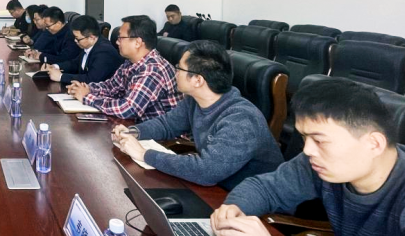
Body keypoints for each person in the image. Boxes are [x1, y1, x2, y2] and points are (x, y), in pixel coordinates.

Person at [210, 78, 405, 236]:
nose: (307, 150)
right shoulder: (321, 164)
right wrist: (234, 208)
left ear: (374, 144)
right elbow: (265, 188)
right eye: (304, 138)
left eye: (319, 141)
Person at [112, 40, 282, 190]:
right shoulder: (195, 101)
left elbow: (207, 171)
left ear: (198, 80)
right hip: (221, 190)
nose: (174, 73)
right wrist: (133, 132)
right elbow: (167, 124)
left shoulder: (241, 119)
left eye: (179, 68)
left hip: (255, 206)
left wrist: (144, 154)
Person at [67, 15, 181, 121]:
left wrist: (86, 97)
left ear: (137, 42)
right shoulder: (130, 62)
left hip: (157, 134)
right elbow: (112, 86)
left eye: (121, 38)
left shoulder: (152, 70)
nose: (117, 42)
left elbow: (128, 109)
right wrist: (87, 88)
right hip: (134, 126)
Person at [44, 15, 124, 85]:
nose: (75, 41)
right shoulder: (89, 45)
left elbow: (91, 79)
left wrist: (61, 77)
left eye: (78, 39)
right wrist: (55, 66)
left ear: (91, 38)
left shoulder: (104, 52)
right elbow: (75, 64)